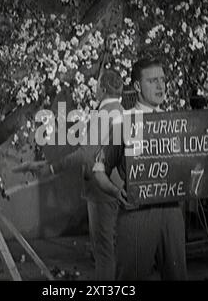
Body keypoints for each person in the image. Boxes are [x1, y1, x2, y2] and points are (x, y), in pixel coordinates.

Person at [92, 58, 208, 280]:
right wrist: (115, 192)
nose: (161, 86)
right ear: (138, 86)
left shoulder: (180, 123)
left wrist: (204, 141)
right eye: (153, 81)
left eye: (162, 80)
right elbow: (98, 170)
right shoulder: (123, 123)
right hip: (136, 215)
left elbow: (192, 164)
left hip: (172, 214)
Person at [14, 69, 127, 280]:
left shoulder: (103, 115)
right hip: (117, 186)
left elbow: (85, 154)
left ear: (102, 89)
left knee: (103, 251)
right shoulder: (121, 111)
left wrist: (53, 167)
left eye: (97, 85)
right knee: (112, 249)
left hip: (101, 191)